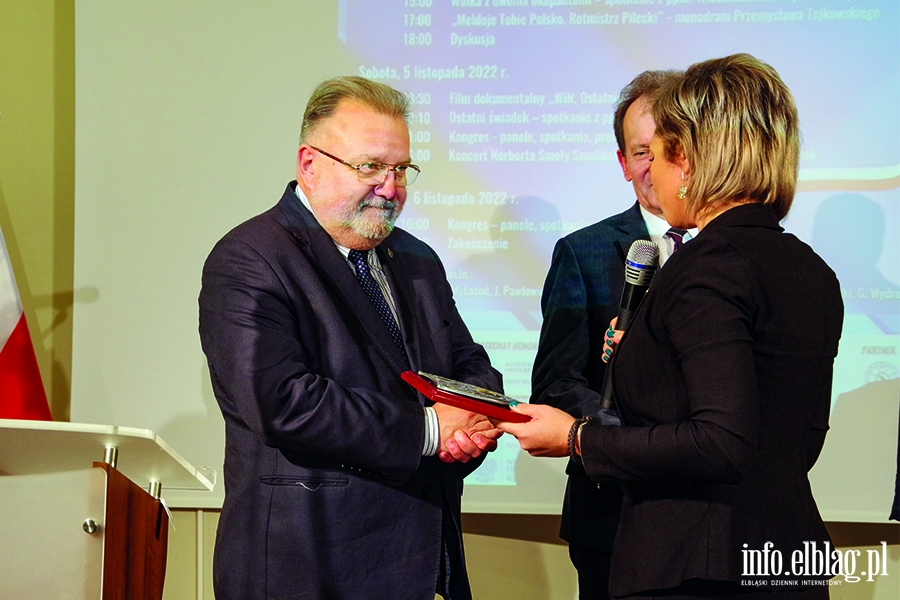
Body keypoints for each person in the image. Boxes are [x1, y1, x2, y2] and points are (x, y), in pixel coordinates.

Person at [502, 54, 843, 598]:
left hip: (696, 565)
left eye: (657, 153)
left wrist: (575, 437)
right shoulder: (809, 267)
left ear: (687, 159)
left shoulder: (707, 264)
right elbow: (798, 435)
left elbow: (721, 441)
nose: (652, 172)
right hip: (784, 556)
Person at [198, 75, 503, 600]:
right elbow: (282, 403)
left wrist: (473, 421)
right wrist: (429, 430)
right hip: (307, 568)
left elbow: (468, 363)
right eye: (370, 167)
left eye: (401, 169)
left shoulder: (416, 258)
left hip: (421, 560)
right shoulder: (251, 257)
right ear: (309, 164)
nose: (390, 187)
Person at [530, 69, 683, 600]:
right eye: (641, 151)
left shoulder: (735, 253)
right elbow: (555, 382)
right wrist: (637, 436)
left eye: (671, 146)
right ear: (623, 164)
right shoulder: (584, 252)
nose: (656, 165)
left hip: (714, 515)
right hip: (612, 513)